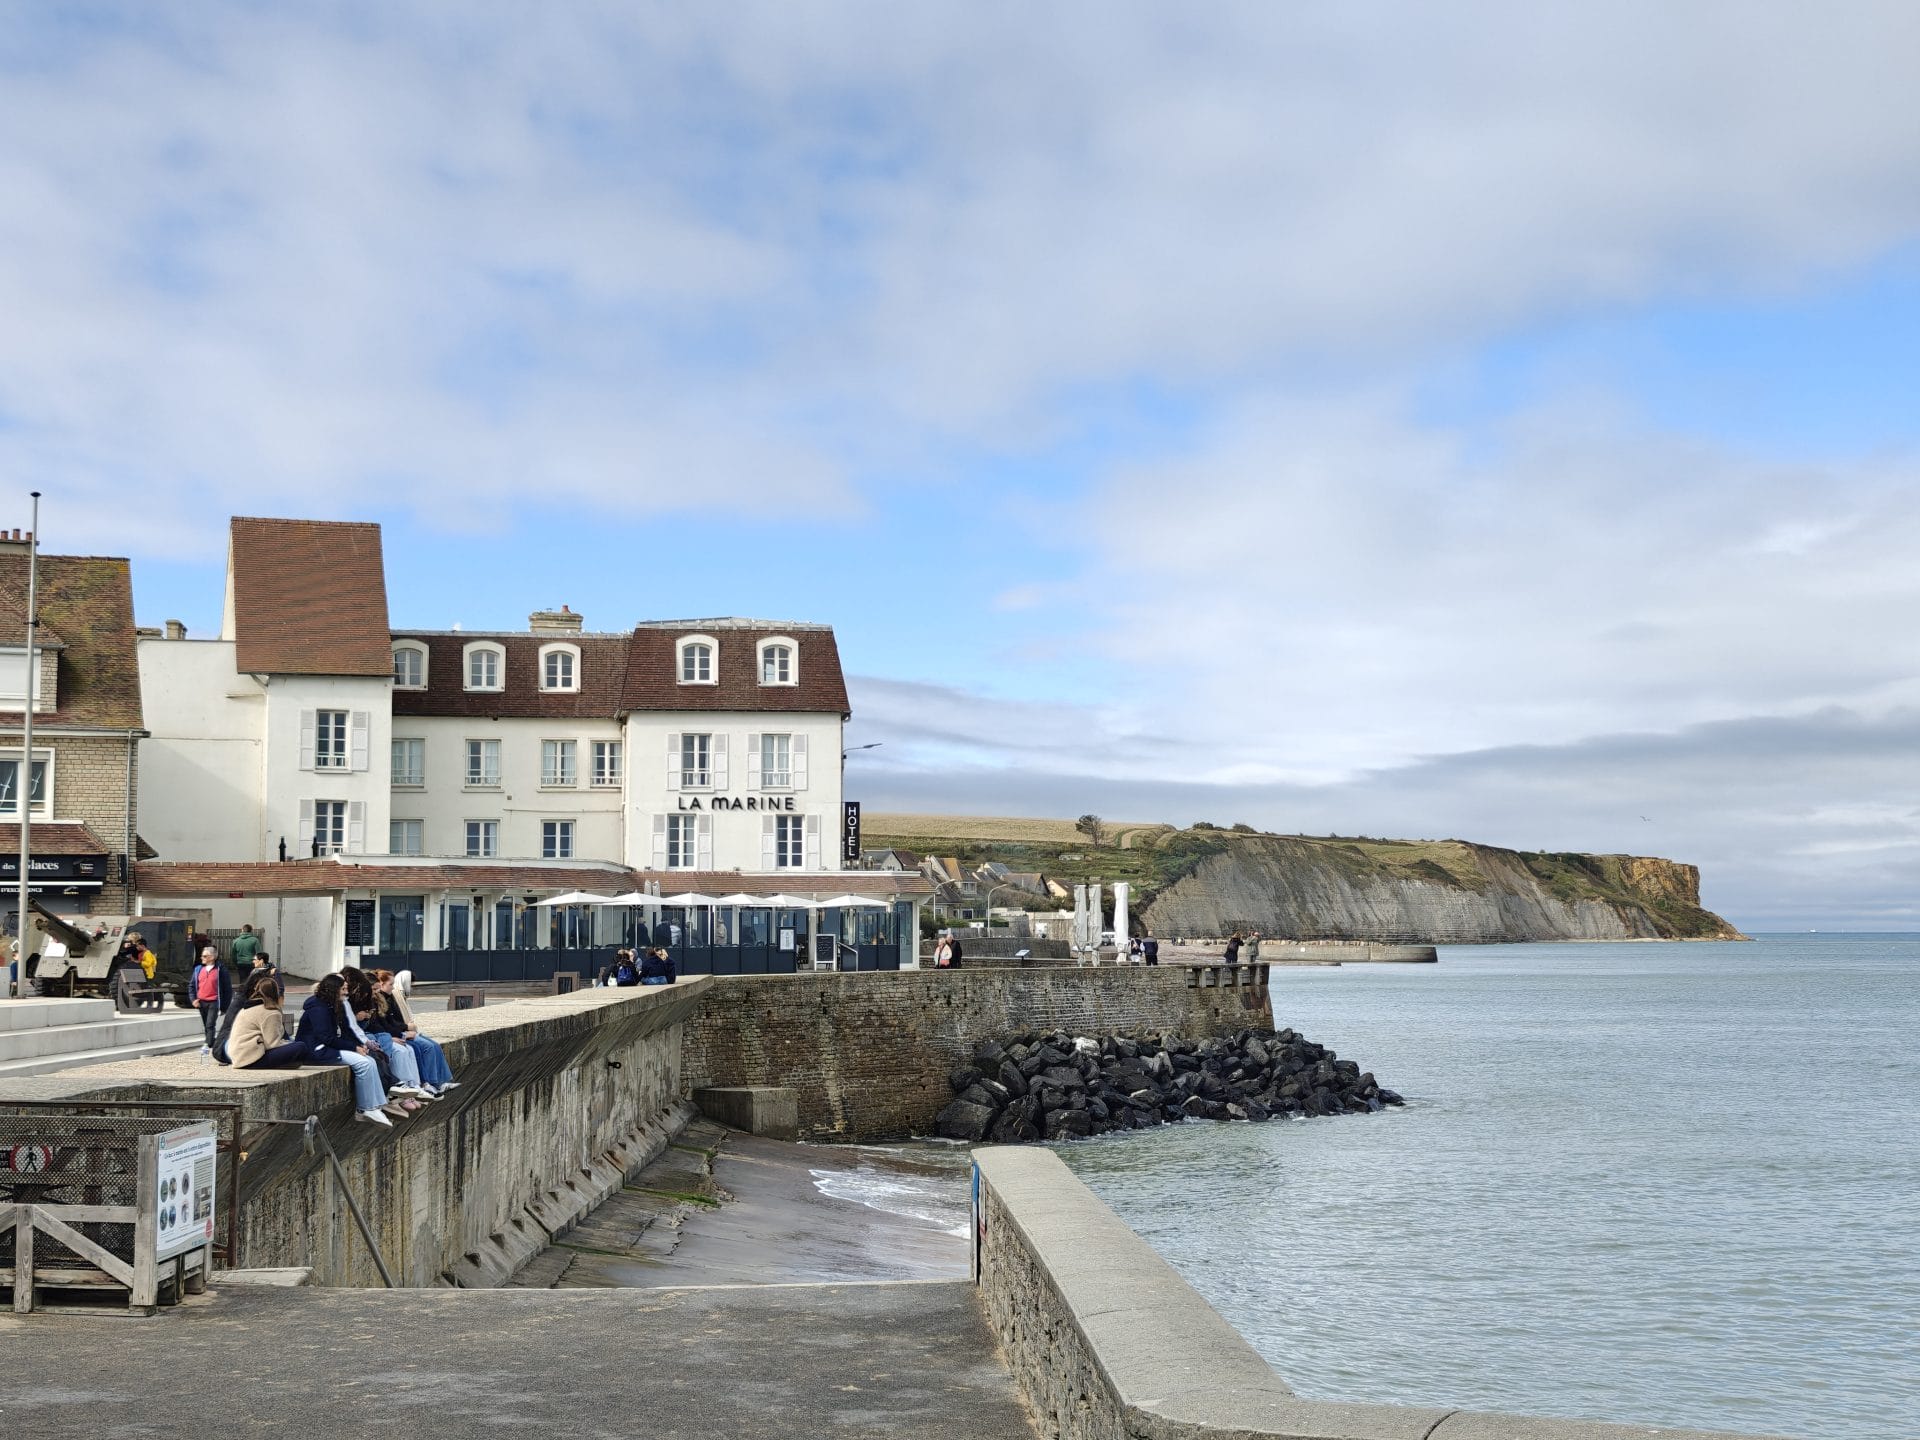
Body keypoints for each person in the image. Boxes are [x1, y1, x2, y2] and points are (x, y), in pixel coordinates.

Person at [295, 973, 399, 1127]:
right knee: (364, 1064)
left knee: (369, 1061)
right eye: (343, 989)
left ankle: (377, 1105)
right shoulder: (319, 1008)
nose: (346, 992)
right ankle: (365, 1109)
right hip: (316, 1051)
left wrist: (357, 1046)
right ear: (333, 990)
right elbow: (326, 1037)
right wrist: (353, 1047)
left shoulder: (328, 1004)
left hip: (324, 1047)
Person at [343, 967, 432, 1104]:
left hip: (375, 1035)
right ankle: (384, 1096)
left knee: (409, 1048)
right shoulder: (353, 1001)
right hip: (360, 1039)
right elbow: (343, 1031)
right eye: (374, 989)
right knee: (380, 1055)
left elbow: (381, 1024)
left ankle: (412, 1086)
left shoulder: (375, 999)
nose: (376, 993)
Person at [373, 969, 458, 1096]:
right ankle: (427, 1083)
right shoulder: (383, 999)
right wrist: (404, 1031)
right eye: (390, 984)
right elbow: (386, 1024)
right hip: (395, 1033)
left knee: (433, 1045)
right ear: (382, 984)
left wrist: (404, 1029)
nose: (392, 987)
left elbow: (391, 1021)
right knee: (422, 1048)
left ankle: (440, 1081)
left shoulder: (388, 998)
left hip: (398, 1032)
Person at [227, 980, 312, 1070]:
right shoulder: (271, 1013)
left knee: (293, 1048)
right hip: (252, 1059)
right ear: (276, 994)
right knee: (300, 1047)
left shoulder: (248, 1008)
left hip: (239, 1057)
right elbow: (272, 1044)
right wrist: (289, 1044)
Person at [189, 946, 232, 1048]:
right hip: (201, 1002)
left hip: (214, 1001)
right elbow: (191, 986)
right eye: (202, 956)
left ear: (212, 957)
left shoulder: (221, 970)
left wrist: (224, 1007)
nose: (202, 958)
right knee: (206, 1025)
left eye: (204, 956)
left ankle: (207, 1045)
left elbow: (227, 990)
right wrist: (193, 999)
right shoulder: (198, 969)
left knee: (210, 1024)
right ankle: (212, 1042)